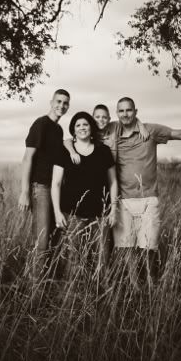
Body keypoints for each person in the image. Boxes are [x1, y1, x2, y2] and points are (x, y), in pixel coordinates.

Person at [106, 97, 181, 281]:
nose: (125, 114)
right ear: (116, 113)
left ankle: (150, 282)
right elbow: (86, 130)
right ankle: (134, 284)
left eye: (129, 110)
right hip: (123, 200)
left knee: (149, 246)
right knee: (126, 247)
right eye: (121, 111)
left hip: (148, 199)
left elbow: (178, 134)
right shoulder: (112, 132)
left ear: (136, 111)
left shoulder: (151, 131)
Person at [51, 111, 118, 281]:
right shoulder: (65, 151)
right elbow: (56, 183)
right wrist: (57, 212)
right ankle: (71, 293)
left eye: (85, 124)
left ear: (91, 127)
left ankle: (103, 291)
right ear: (73, 130)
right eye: (78, 125)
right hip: (72, 214)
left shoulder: (103, 151)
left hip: (101, 214)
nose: (82, 128)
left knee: (102, 258)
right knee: (72, 258)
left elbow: (113, 182)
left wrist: (114, 210)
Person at [18, 89, 70, 276]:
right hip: (40, 188)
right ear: (51, 102)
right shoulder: (41, 124)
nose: (61, 106)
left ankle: (48, 282)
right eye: (58, 101)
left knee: (53, 239)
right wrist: (25, 192)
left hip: (54, 189)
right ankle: (35, 289)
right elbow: (27, 158)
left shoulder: (58, 129)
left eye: (65, 103)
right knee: (41, 242)